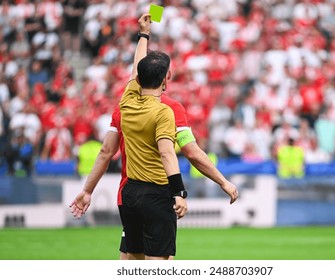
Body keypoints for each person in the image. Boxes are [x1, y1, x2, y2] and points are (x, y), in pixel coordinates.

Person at [70, 13, 238, 260]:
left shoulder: (125, 102)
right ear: (166, 79)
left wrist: (143, 34)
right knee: (160, 263)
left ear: (137, 78)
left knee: (131, 259)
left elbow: (106, 152)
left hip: (127, 192)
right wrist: (201, 187)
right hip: (157, 193)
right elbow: (180, 152)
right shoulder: (168, 110)